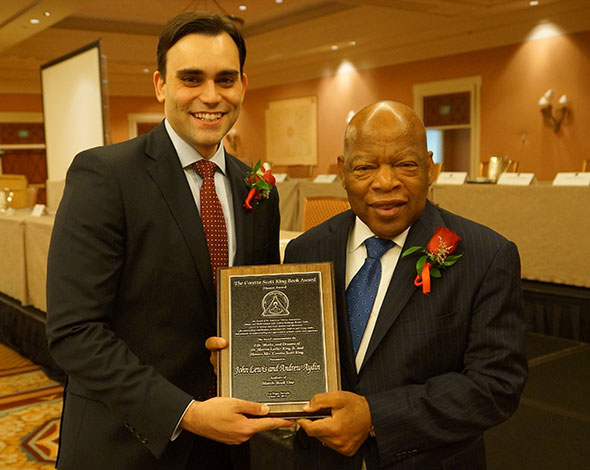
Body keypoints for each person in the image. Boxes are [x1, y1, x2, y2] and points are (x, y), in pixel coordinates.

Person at [45, 11, 290, 470]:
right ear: (160, 85)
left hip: (226, 447)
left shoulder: (259, 188)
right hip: (125, 443)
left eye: (225, 79)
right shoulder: (104, 176)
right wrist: (187, 414)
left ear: (243, 85)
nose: (211, 96)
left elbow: (256, 309)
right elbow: (74, 333)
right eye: (191, 78)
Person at [282, 101, 528, 469]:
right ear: (343, 172)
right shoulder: (306, 249)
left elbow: (496, 385)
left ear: (431, 168)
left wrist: (376, 417)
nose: (385, 182)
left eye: (405, 164)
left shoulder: (486, 256)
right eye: (365, 167)